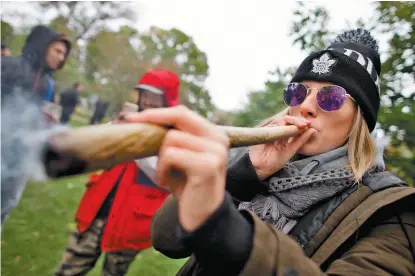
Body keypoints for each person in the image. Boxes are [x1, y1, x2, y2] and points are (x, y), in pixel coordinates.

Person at [123, 29, 414, 275]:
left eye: (331, 96)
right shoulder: (251, 162)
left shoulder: (391, 210)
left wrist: (229, 233)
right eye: (298, 92)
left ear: (359, 118)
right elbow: (166, 240)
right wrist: (242, 175)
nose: (305, 107)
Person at [55, 69, 181, 276]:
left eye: (154, 96)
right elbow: (95, 147)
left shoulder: (175, 133)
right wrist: (115, 127)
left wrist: (132, 140)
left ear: (167, 99)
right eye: (144, 94)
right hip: (98, 210)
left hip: (130, 224)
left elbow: (166, 178)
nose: (147, 101)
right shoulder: (128, 119)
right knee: (68, 271)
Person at [1, 25, 71, 226]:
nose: (61, 58)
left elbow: (38, 113)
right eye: (57, 51)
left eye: (63, 54)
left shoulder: (48, 83)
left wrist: (45, 120)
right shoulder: (7, 67)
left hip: (22, 152)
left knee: (7, 203)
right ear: (43, 46)